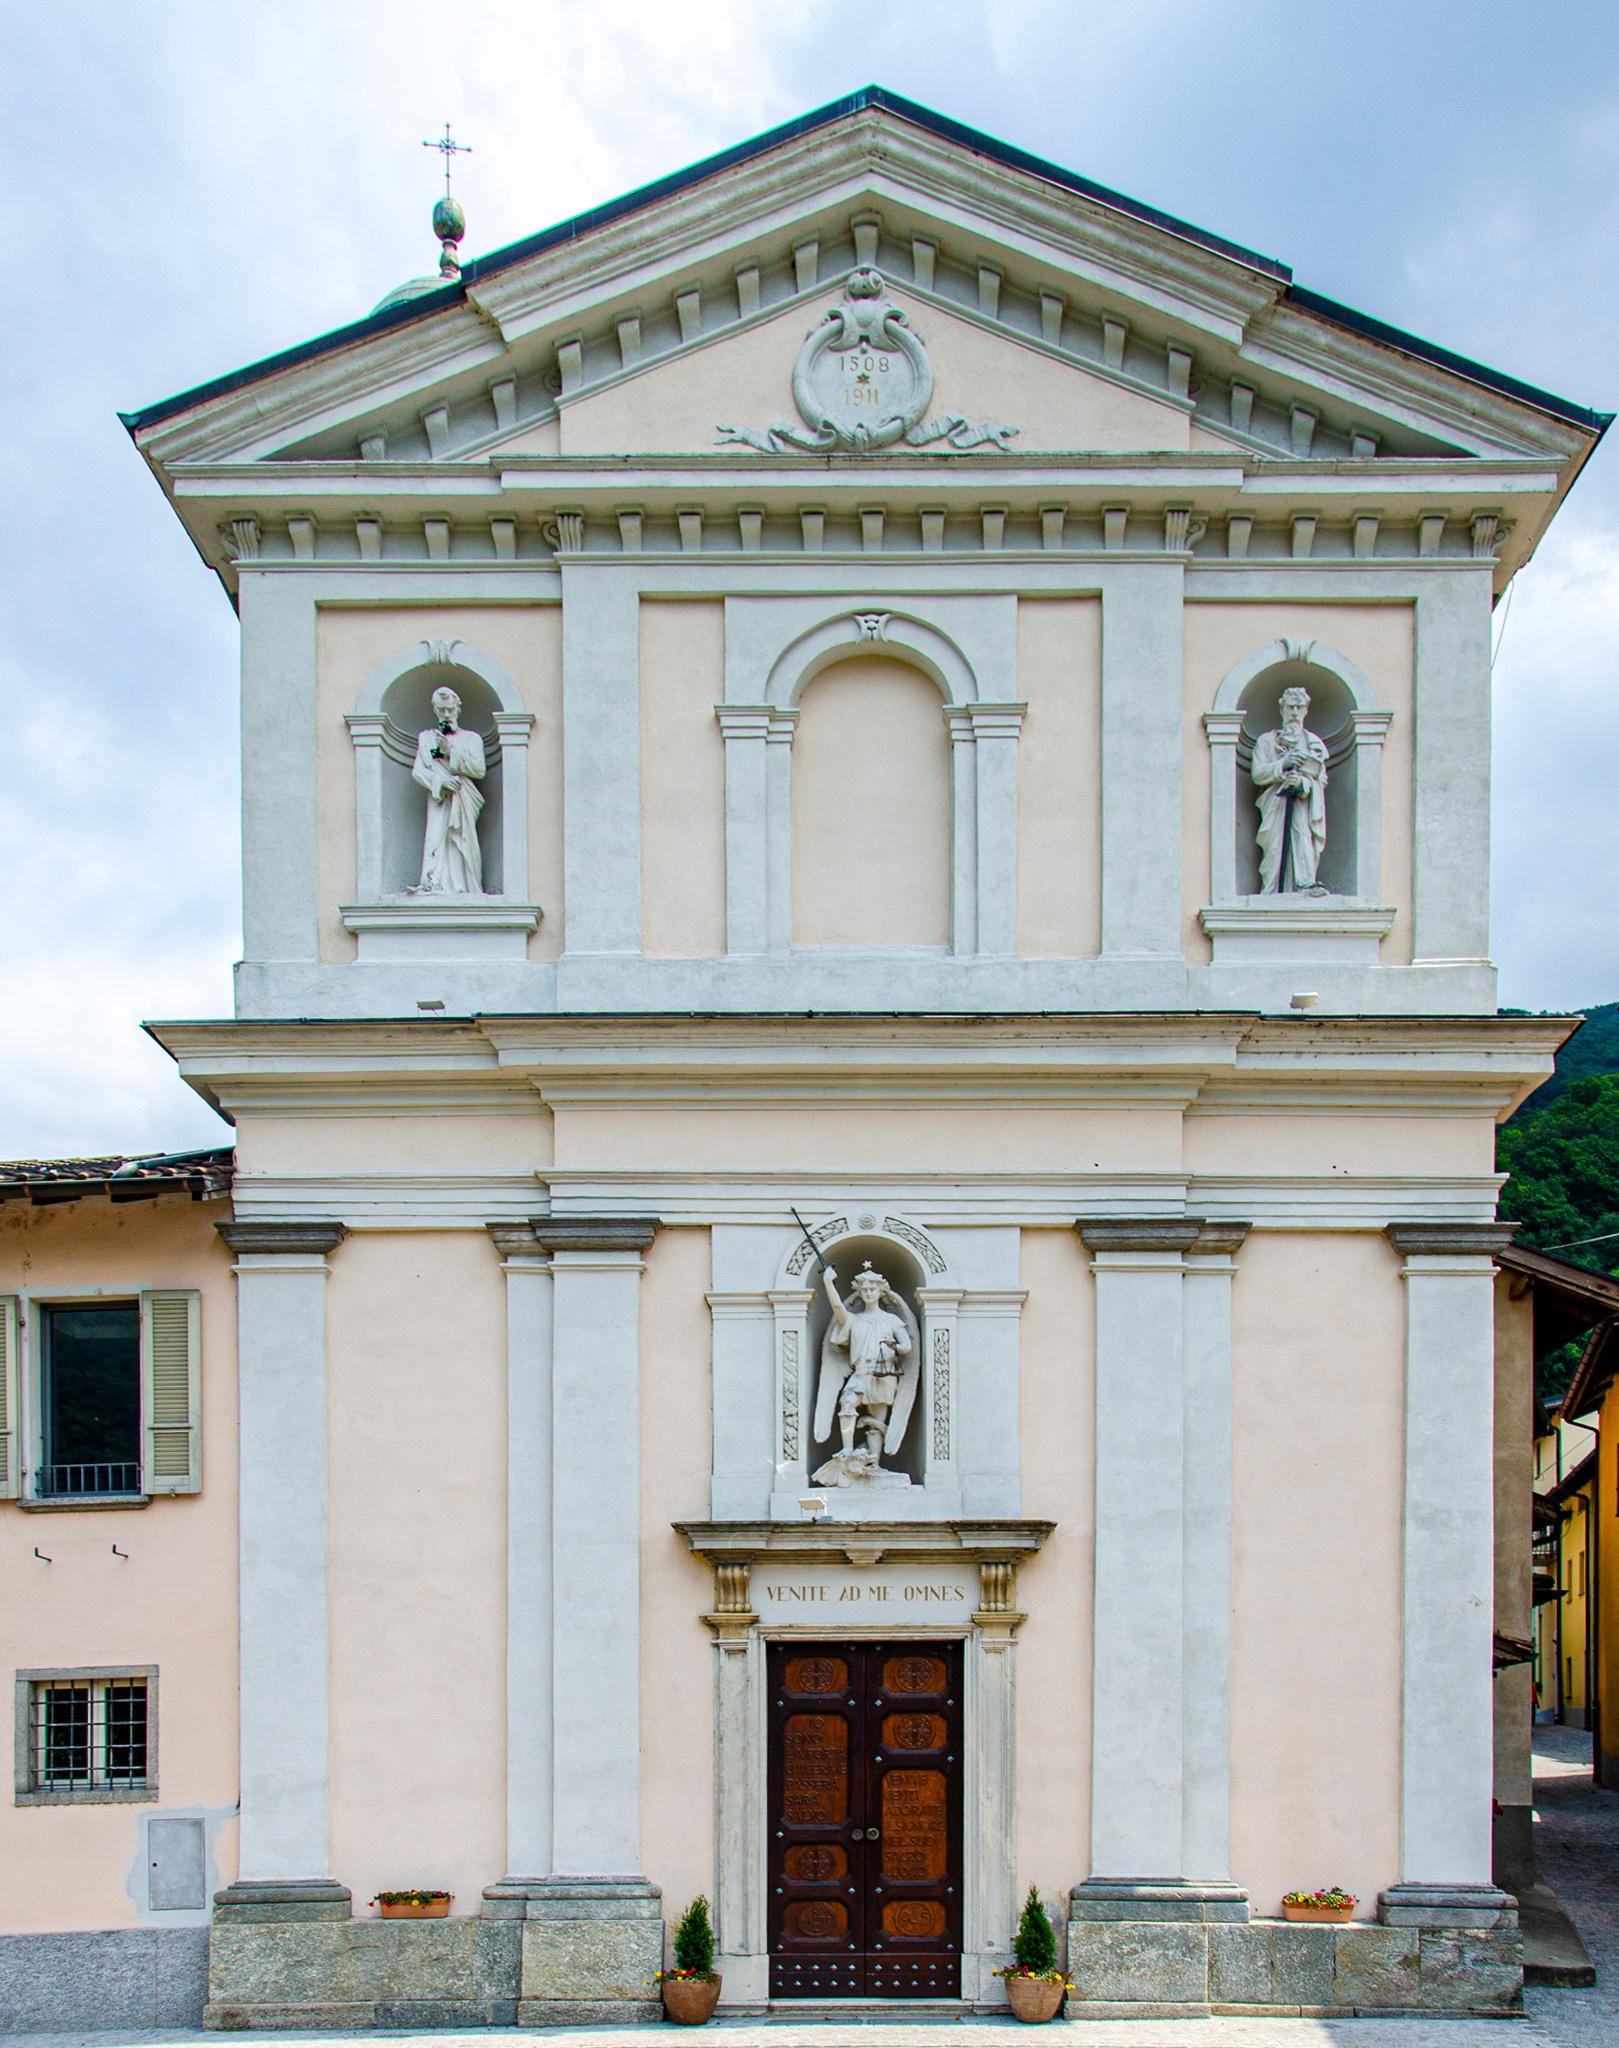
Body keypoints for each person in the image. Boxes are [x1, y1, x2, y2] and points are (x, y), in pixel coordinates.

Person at [812, 1262, 917, 1479]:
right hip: (860, 1372)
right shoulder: (854, 1320)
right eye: (865, 1290)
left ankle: (874, 1463)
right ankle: (847, 1450)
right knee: (847, 1402)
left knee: (877, 1421)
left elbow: (907, 1347)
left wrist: (893, 1346)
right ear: (859, 1292)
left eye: (872, 1289)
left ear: (881, 1291)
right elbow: (838, 1307)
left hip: (883, 1374)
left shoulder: (892, 1321)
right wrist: (828, 1283)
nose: (869, 1293)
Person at [410, 686, 486, 894]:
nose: (446, 714)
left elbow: (479, 769)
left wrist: (450, 750)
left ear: (458, 709)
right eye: (442, 710)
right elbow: (418, 771)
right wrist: (441, 782)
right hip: (439, 798)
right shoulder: (426, 738)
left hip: (463, 798)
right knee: (436, 837)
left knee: (462, 841)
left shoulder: (471, 738)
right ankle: (434, 883)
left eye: (450, 709)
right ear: (435, 710)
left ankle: (466, 886)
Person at [1252, 684, 1328, 893]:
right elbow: (1257, 773)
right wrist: (1283, 764)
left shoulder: (1313, 744)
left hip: (1302, 807)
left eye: (1299, 707)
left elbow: (1320, 779)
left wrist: (1303, 784)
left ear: (1306, 710)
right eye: (1290, 707)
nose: (1294, 712)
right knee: (1274, 848)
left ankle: (1304, 883)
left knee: (1302, 839)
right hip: (1275, 804)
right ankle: (1272, 891)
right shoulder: (1266, 742)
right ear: (1282, 709)